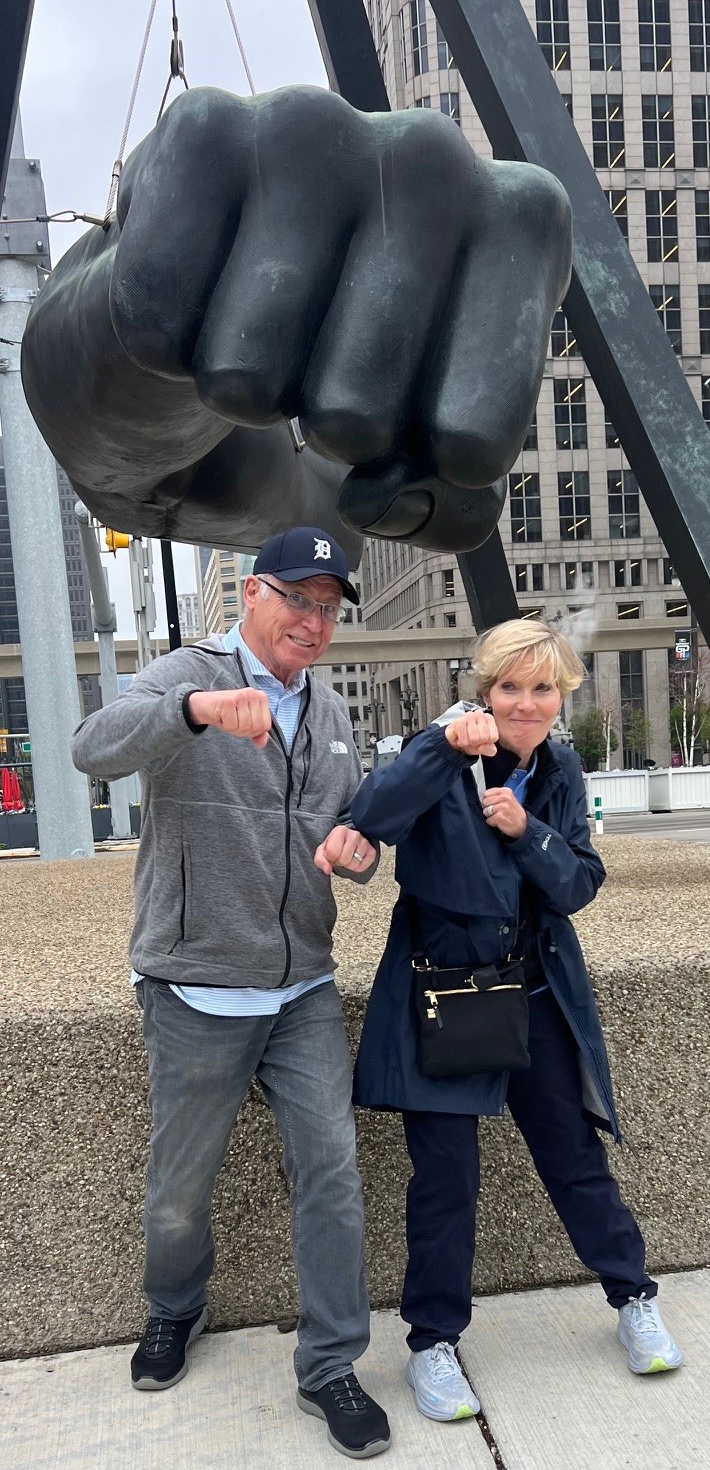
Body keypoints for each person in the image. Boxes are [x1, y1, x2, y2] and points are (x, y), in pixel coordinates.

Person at [71, 526, 391, 1461]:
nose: (315, 619)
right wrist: (199, 710)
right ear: (252, 594)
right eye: (300, 597)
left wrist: (359, 853)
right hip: (195, 985)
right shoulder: (184, 673)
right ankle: (174, 1308)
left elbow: (350, 831)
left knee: (331, 1176)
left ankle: (330, 1363)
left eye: (330, 606)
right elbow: (93, 747)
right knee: (180, 1185)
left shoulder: (330, 714)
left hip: (302, 989)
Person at [347, 619, 682, 1425]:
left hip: (533, 994)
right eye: (509, 687)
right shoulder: (446, 748)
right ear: (484, 687)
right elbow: (372, 814)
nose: (525, 705)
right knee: (446, 1182)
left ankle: (633, 1295)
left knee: (575, 1156)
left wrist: (524, 829)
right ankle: (433, 1342)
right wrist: (440, 748)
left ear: (560, 695)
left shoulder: (560, 766)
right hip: (445, 997)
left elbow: (577, 883)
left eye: (543, 688)